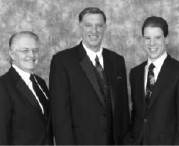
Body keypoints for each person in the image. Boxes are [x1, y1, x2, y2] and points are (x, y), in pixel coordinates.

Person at [49, 7, 130, 145]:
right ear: (80, 27)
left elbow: (123, 111)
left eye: (99, 25)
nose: (94, 31)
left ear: (105, 27)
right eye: (88, 25)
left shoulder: (117, 60)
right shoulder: (62, 61)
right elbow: (60, 116)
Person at [123, 16, 179, 145]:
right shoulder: (135, 73)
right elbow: (137, 114)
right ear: (143, 40)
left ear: (166, 39)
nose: (152, 43)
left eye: (158, 38)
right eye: (148, 38)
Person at [0, 31, 52, 145]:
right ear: (12, 54)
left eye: (35, 50)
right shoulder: (0, 87)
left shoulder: (40, 83)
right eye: (25, 50)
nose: (31, 55)